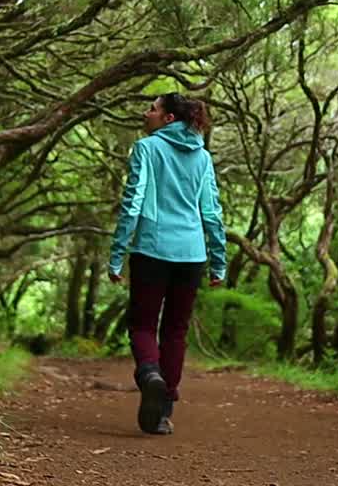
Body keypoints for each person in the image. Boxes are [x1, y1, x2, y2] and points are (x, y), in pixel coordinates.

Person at [108, 92, 227, 436]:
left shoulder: (146, 149)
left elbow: (132, 205)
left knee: (143, 325)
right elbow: (212, 213)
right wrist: (219, 263)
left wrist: (117, 255)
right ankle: (162, 412)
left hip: (151, 250)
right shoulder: (203, 158)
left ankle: (149, 376)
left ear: (168, 118)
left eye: (153, 109)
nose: (147, 113)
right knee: (175, 330)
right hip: (192, 255)